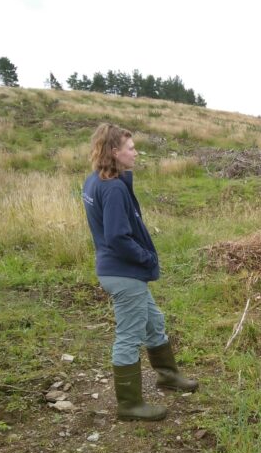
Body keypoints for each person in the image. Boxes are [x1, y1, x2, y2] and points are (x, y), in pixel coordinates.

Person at [82, 123, 197, 422]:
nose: (136, 153)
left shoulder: (94, 181)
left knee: (154, 322)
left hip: (117, 269)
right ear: (114, 152)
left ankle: (168, 376)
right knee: (129, 336)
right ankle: (130, 405)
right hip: (124, 273)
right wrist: (146, 257)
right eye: (131, 148)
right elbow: (118, 237)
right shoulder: (113, 188)